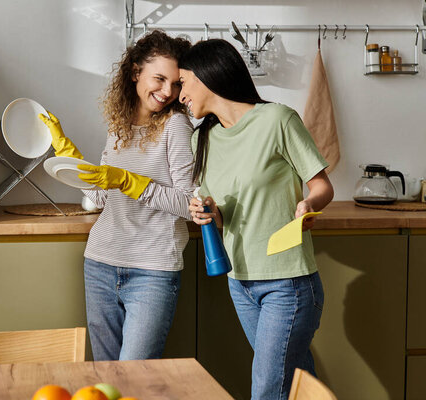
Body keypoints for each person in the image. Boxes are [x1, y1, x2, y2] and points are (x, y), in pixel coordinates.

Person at [178, 39, 334, 400]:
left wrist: (309, 203)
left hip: (288, 284)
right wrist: (209, 213)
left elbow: (322, 185)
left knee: (268, 387)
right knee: (295, 378)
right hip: (241, 281)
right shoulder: (202, 140)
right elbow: (224, 215)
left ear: (206, 75)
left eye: (183, 82)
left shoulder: (277, 120)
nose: (180, 94)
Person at [39, 30, 195, 361]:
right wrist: (67, 153)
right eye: (160, 78)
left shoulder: (177, 127)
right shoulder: (119, 125)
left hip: (153, 270)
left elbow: (187, 204)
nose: (168, 91)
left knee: (133, 378)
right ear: (136, 72)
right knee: (105, 379)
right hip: (100, 262)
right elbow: (102, 196)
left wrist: (129, 181)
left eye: (176, 83)